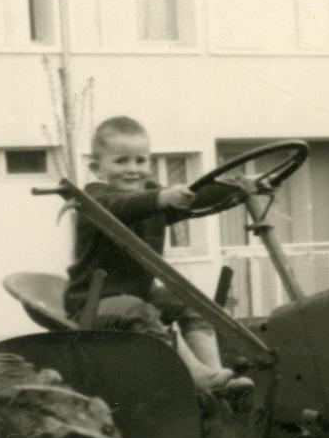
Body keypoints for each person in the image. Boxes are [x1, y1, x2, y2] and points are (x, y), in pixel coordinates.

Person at [65, 115, 250, 393]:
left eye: (140, 161)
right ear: (97, 168)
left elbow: (192, 199)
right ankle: (196, 376)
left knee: (191, 300)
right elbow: (123, 206)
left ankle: (215, 374)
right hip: (92, 303)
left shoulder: (150, 198)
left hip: (139, 293)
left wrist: (238, 188)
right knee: (140, 310)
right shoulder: (93, 199)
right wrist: (162, 198)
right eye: (121, 161)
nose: (133, 169)